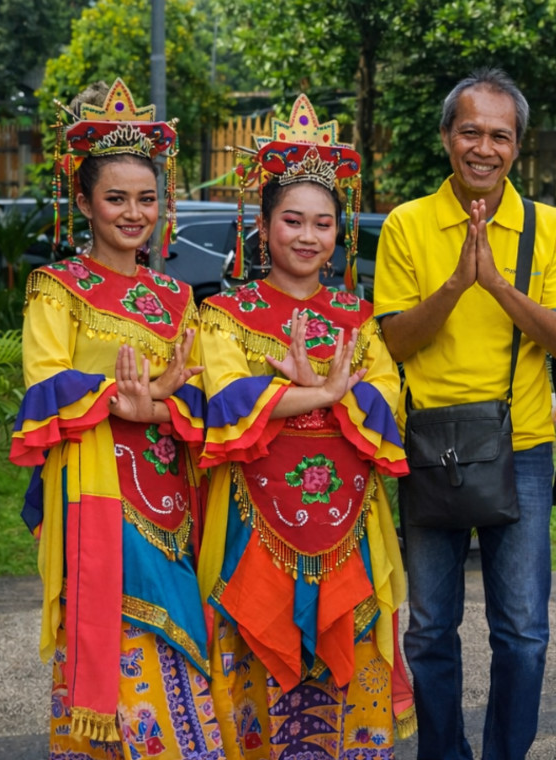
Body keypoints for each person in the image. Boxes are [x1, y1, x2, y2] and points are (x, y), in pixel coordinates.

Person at [193, 94, 415, 757]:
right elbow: (225, 398)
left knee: (351, 678)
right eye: (292, 220)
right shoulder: (225, 314)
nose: (307, 236)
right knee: (255, 673)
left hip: (348, 521)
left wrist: (314, 393)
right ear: (262, 226)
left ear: (338, 235)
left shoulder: (357, 314)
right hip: (251, 518)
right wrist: (323, 390)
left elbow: (388, 398)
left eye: (322, 224)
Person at [373, 67, 556, 760]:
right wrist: (458, 283)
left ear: (517, 146)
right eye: (470, 131)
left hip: (518, 446)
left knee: (522, 630)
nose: (483, 147)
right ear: (445, 137)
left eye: (500, 135)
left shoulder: (547, 227)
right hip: (430, 446)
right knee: (430, 627)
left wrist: (494, 282)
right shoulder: (405, 224)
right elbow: (395, 340)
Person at [10, 79, 223, 759]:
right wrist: (121, 398)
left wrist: (157, 401)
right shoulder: (57, 290)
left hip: (171, 505)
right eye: (116, 199)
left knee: (182, 649)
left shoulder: (177, 295)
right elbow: (46, 385)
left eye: (146, 199)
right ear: (83, 203)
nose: (134, 214)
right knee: (112, 643)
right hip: (97, 499)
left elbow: (200, 398)